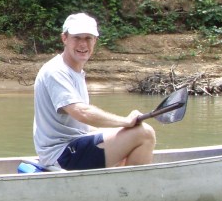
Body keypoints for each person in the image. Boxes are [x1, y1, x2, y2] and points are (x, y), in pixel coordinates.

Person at [33, 13, 155, 170]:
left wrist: (123, 129)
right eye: (77, 38)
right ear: (64, 38)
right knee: (145, 134)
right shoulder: (56, 71)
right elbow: (81, 112)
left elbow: (80, 126)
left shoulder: (74, 72)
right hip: (61, 155)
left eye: (88, 38)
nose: (83, 44)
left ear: (95, 41)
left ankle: (122, 182)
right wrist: (125, 121)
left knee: (129, 134)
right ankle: (131, 185)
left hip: (71, 147)